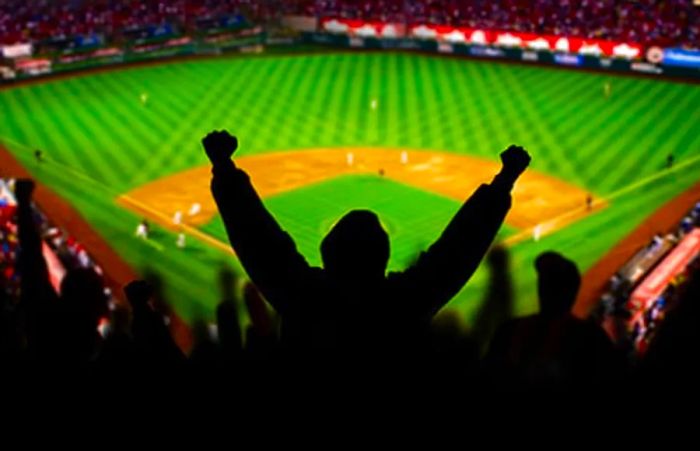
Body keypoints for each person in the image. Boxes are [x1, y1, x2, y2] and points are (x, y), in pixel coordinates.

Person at [203, 130, 530, 357]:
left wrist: (224, 167)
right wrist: (504, 181)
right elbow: (457, 251)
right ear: (384, 257)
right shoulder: (405, 303)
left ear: (327, 255)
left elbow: (259, 242)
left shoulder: (304, 298)